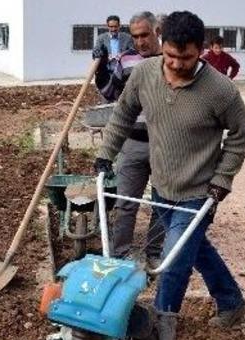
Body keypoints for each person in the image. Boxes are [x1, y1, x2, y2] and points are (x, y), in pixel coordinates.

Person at [94, 11, 245, 340]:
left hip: (199, 191)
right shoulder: (145, 74)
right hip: (163, 186)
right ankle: (232, 302)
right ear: (161, 45)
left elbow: (241, 132)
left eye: (187, 58)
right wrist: (104, 156)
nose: (177, 65)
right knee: (197, 249)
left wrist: (222, 179)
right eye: (171, 57)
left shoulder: (220, 91)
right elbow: (123, 113)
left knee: (173, 264)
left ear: (201, 50)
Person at [94, 11, 165, 266]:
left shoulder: (172, 60)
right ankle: (119, 256)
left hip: (165, 147)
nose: (140, 41)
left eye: (144, 35)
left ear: (157, 32)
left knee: (162, 203)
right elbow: (110, 94)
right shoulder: (126, 61)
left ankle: (154, 254)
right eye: (135, 36)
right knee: (125, 203)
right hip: (132, 144)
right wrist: (102, 68)